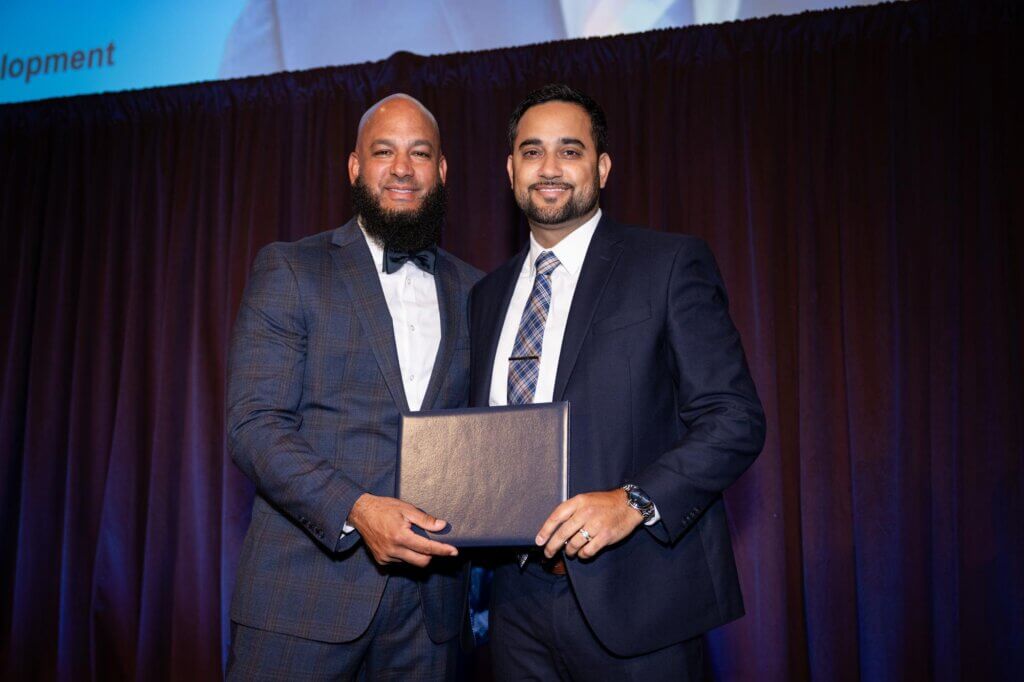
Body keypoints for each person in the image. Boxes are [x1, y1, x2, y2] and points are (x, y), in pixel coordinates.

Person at [468, 84, 765, 680]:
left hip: (639, 602)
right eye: (532, 152)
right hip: (512, 609)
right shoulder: (484, 296)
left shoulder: (669, 264)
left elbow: (735, 418)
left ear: (602, 167)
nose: (549, 169)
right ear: (510, 169)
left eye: (570, 151)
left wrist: (635, 501)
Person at [226, 93, 481, 680]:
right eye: (383, 151)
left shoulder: (477, 290)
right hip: (301, 599)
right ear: (354, 166)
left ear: (441, 172)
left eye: (420, 153)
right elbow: (254, 425)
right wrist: (358, 510)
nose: (401, 168)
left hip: (431, 620)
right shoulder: (290, 268)